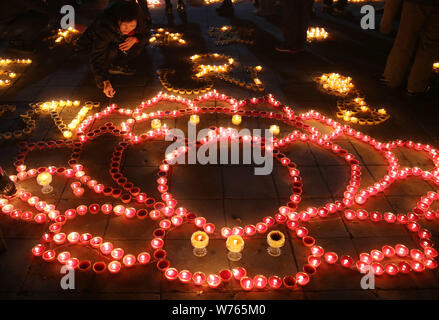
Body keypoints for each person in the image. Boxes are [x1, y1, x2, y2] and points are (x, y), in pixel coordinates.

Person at [76, 0, 150, 98]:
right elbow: (97, 54)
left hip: (114, 42)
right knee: (111, 52)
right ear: (118, 20)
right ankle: (109, 65)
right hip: (88, 49)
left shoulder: (139, 19)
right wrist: (104, 81)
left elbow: (146, 34)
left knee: (138, 46)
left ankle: (115, 64)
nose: (128, 29)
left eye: (132, 25)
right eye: (125, 25)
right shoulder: (105, 26)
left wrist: (136, 39)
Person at [382, 0, 439, 95]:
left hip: (415, 3)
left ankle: (392, 78)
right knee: (429, 45)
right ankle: (416, 85)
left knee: (405, 39)